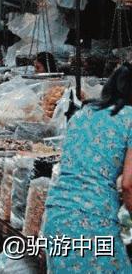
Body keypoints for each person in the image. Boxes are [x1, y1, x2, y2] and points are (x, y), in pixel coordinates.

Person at [42, 62, 132, 273]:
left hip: (57, 216)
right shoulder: (130, 118)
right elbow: (128, 185)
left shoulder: (82, 114)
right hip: (93, 221)